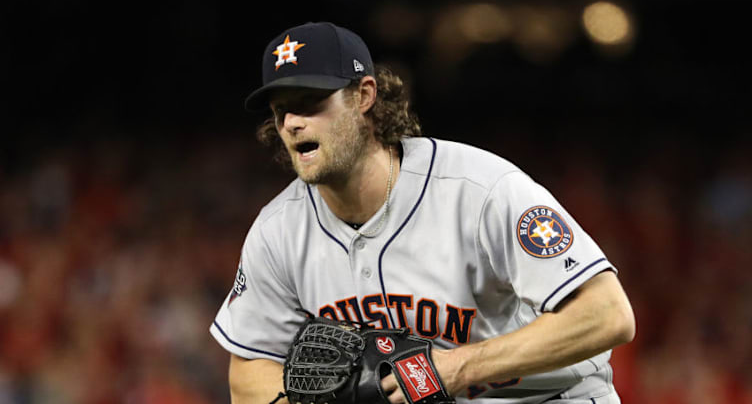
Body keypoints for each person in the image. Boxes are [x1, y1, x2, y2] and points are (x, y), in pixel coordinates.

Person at [209, 21, 635, 404]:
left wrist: (459, 367)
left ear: (364, 96)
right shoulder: (277, 231)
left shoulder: (477, 189)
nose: (292, 123)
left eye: (310, 102)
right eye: (281, 110)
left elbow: (607, 314)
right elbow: (247, 374)